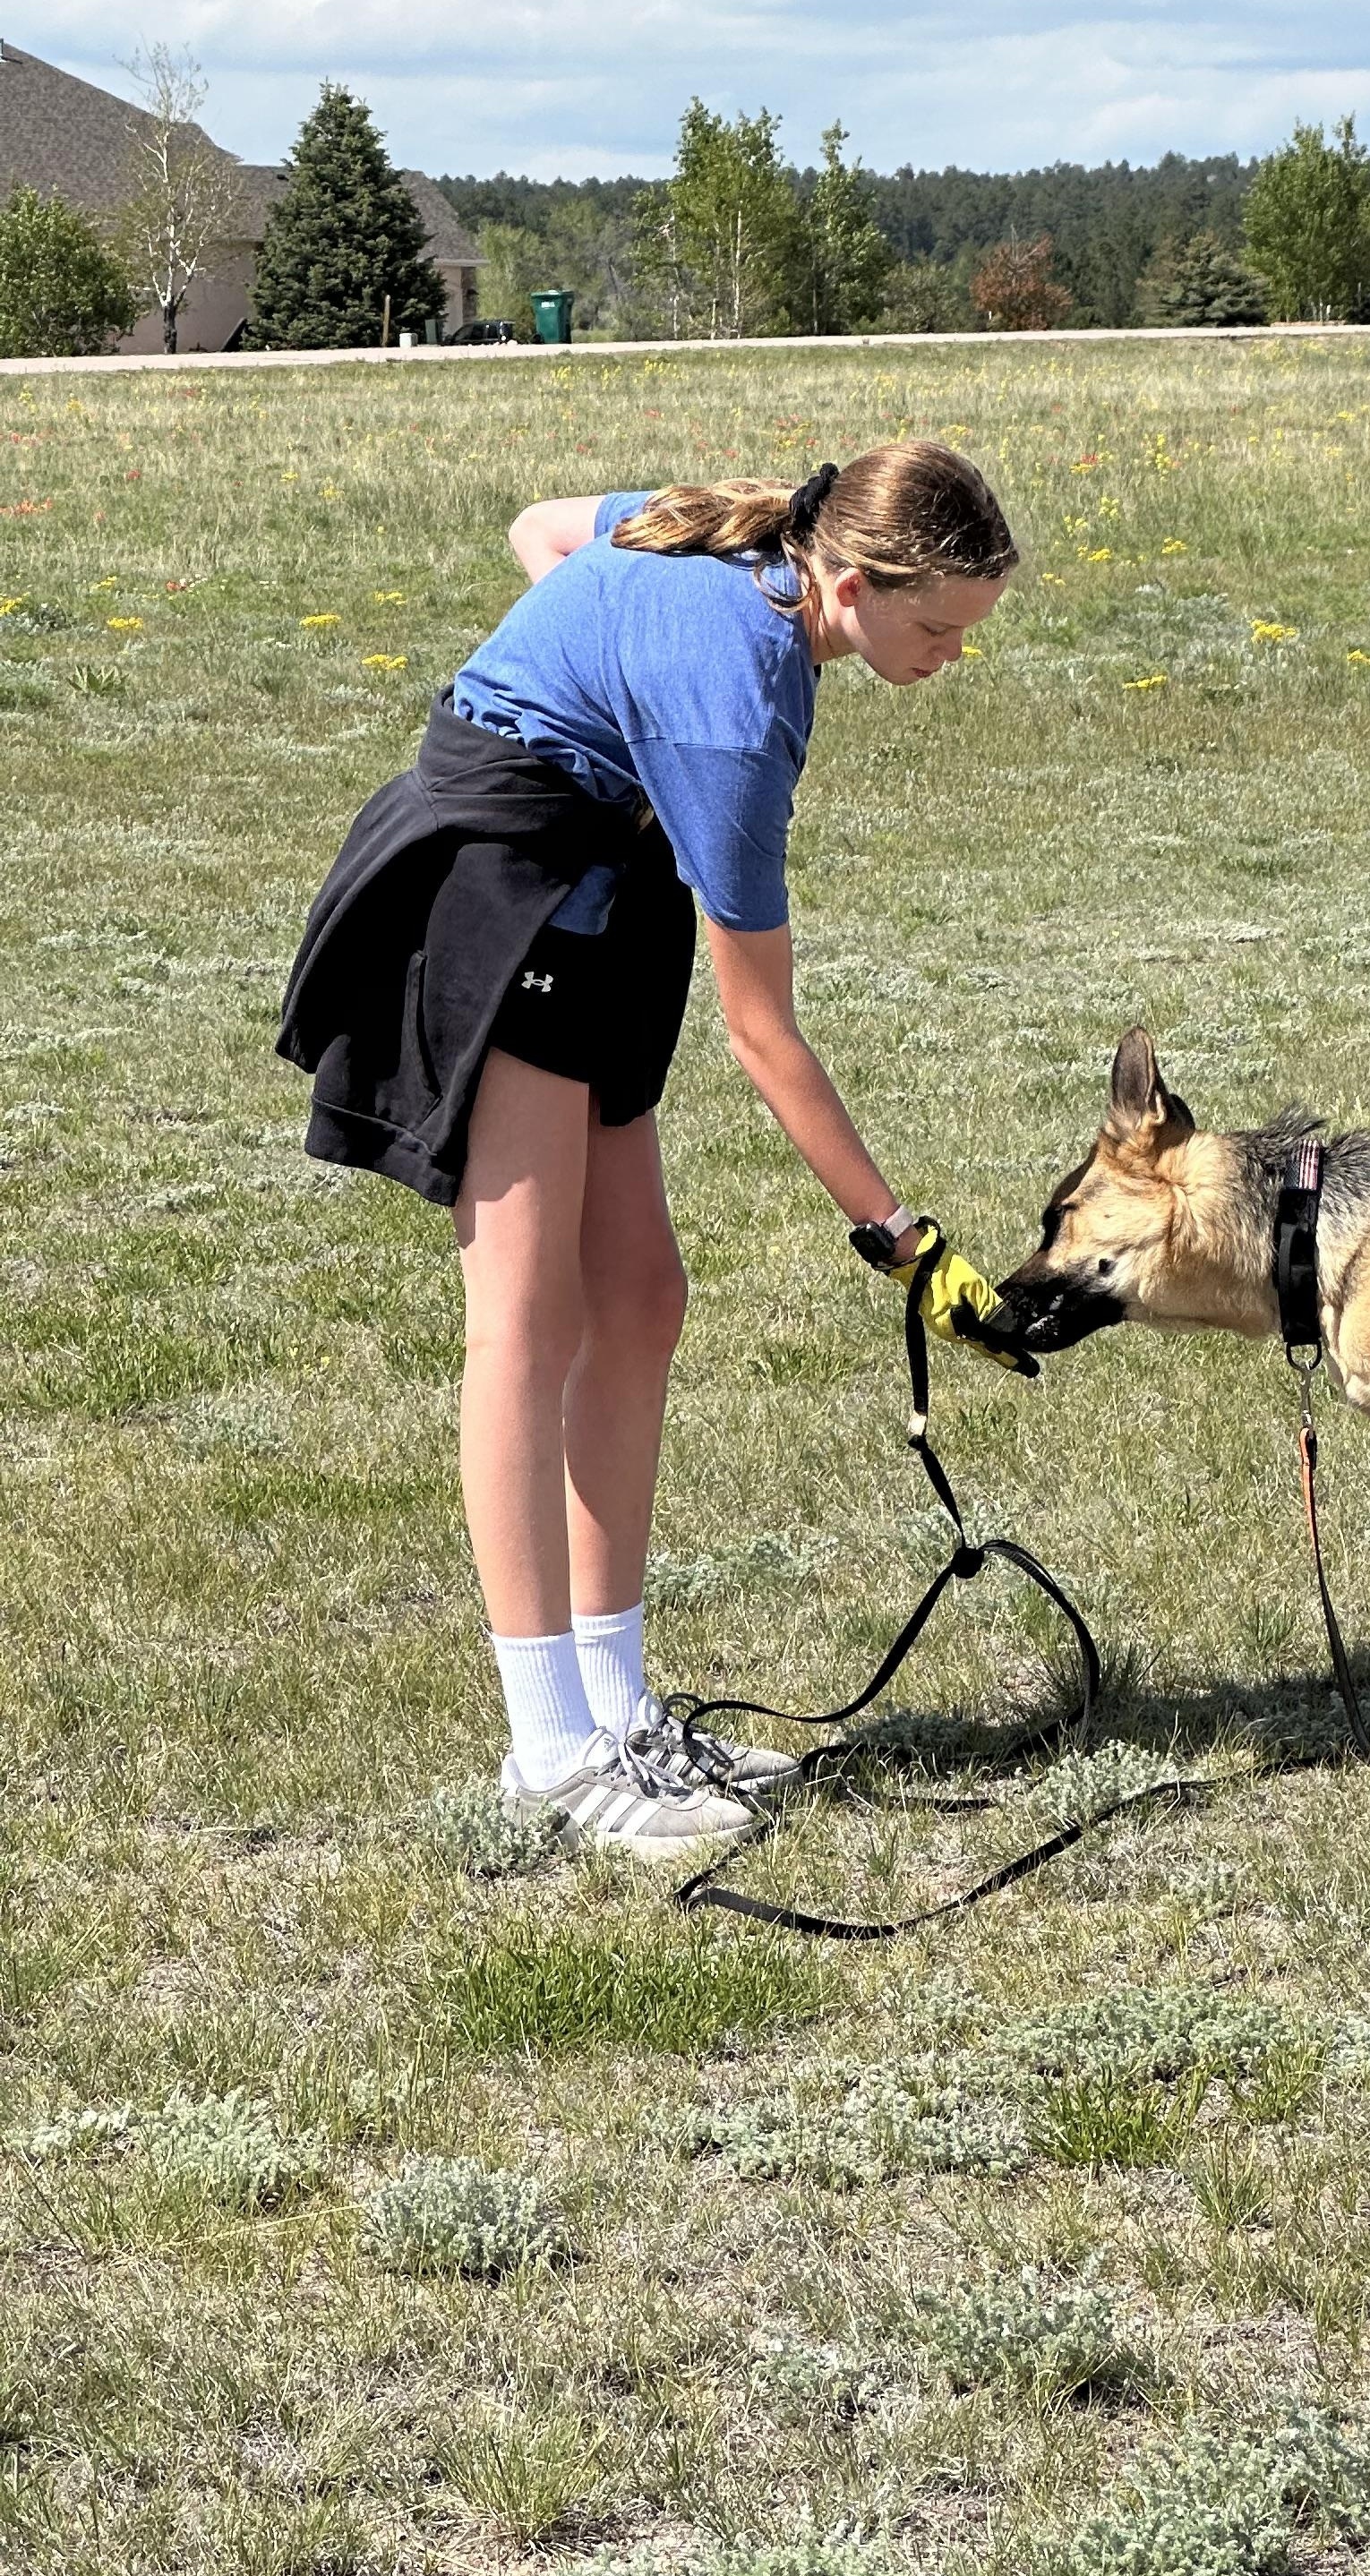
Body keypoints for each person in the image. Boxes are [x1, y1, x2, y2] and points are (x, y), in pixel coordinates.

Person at [279, 446, 1022, 1855]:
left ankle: (618, 1715)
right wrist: (904, 1241)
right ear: (850, 586)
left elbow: (541, 528)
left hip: (596, 891)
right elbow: (766, 1035)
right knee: (524, 1315)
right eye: (935, 632)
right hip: (496, 889)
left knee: (639, 1298)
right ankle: (549, 1753)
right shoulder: (738, 710)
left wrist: (603, 694)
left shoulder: (742, 543)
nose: (947, 661)